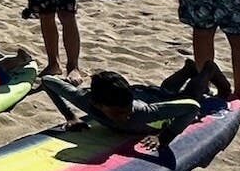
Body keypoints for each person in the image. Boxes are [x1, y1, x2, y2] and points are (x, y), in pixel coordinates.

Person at [41, 60, 223, 146]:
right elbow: (48, 81)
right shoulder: (86, 102)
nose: (126, 116)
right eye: (118, 113)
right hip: (146, 94)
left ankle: (207, 70)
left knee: (190, 94)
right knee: (165, 90)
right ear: (98, 106)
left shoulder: (142, 112)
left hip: (150, 100)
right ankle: (188, 69)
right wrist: (70, 116)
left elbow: (192, 107)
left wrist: (164, 137)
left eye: (126, 111)